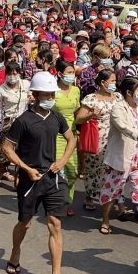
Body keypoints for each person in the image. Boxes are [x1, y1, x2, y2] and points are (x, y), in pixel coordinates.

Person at [1, 71, 78, 274]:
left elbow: (71, 138)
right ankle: (15, 253)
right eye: (45, 94)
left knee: (55, 223)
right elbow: (7, 147)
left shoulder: (56, 117)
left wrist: (62, 160)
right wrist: (26, 168)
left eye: (51, 94)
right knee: (25, 222)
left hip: (53, 179)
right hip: (30, 180)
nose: (50, 98)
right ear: (34, 94)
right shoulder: (23, 121)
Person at [99, 77, 138, 240]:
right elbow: (122, 127)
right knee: (111, 190)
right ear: (128, 92)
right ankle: (105, 220)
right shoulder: (118, 108)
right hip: (121, 157)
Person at [77, 68, 121, 210]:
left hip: (116, 139)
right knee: (94, 169)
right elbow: (78, 119)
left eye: (115, 80)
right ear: (102, 82)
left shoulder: (118, 97)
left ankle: (111, 198)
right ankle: (90, 196)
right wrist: (90, 115)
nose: (115, 83)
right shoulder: (91, 99)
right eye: (112, 81)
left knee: (113, 170)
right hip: (97, 139)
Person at [0, 61, 29, 187]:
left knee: (21, 151)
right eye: (10, 74)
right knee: (5, 151)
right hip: (8, 122)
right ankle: (0, 171)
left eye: (15, 73)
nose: (13, 76)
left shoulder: (26, 85)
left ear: (19, 73)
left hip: (24, 121)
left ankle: (19, 176)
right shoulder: (2, 89)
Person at [53, 59, 80, 216]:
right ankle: (57, 201)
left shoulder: (76, 90)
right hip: (55, 134)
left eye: (73, 72)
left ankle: (68, 200)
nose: (72, 75)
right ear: (60, 74)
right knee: (58, 169)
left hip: (72, 134)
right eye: (69, 72)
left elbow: (77, 112)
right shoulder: (52, 90)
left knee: (71, 171)